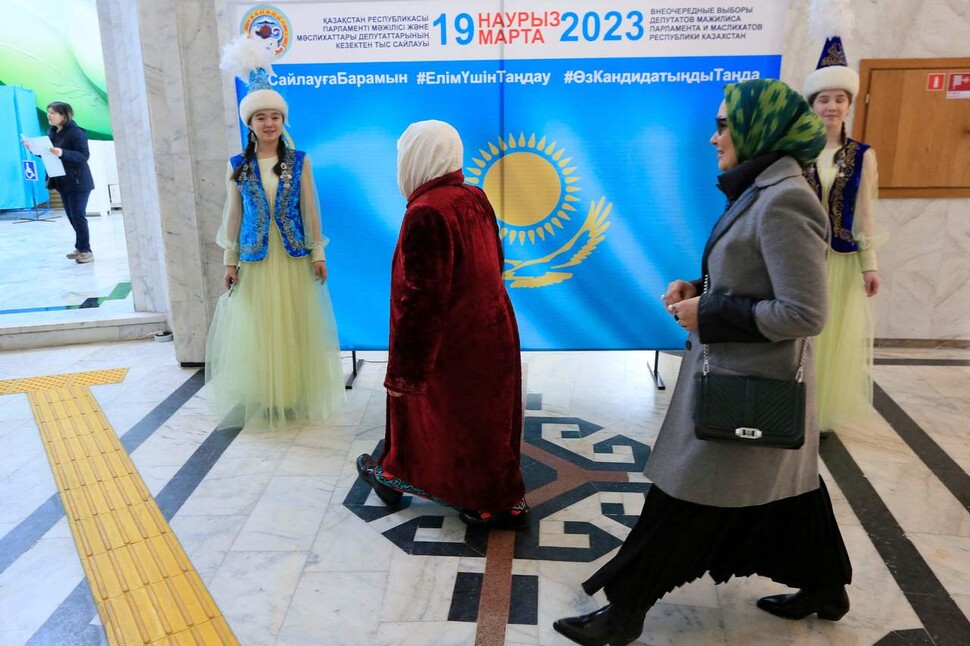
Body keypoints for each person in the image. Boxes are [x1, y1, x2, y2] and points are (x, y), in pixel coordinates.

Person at [553, 79, 852, 646]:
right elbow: (753, 276)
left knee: (683, 496)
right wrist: (699, 287)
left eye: (723, 125)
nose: (713, 137)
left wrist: (709, 313)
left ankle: (624, 611)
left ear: (758, 128)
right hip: (741, 375)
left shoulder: (787, 198)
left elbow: (805, 312)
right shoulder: (762, 188)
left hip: (748, 385)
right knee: (791, 491)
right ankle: (826, 586)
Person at [355, 120, 529, 529]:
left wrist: (405, 373)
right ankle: (401, 476)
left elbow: (420, 301)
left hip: (449, 342)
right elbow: (496, 260)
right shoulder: (473, 195)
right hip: (492, 328)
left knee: (438, 417)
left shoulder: (425, 212)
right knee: (485, 420)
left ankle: (484, 504)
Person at [205, 37, 344, 429]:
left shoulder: (298, 162)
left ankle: (293, 392)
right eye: (261, 117)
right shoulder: (238, 165)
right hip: (255, 260)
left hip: (292, 257)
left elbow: (310, 209)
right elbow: (233, 215)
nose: (269, 124)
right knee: (260, 329)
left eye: (275, 117)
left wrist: (318, 253)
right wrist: (229, 260)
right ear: (249, 124)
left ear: (283, 121)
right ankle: (267, 394)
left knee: (294, 327)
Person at [803, 36, 883, 435]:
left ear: (849, 104)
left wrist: (869, 265)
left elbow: (865, 212)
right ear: (812, 105)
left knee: (833, 335)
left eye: (839, 99)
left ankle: (823, 412)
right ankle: (795, 406)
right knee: (802, 333)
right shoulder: (795, 152)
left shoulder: (862, 155)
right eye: (823, 99)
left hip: (840, 258)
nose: (831, 106)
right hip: (801, 257)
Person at [44, 102, 95, 264]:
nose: (49, 116)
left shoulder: (76, 133)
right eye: (48, 112)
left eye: (53, 113)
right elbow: (50, 154)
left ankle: (85, 250)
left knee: (78, 215)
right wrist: (36, 149)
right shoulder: (51, 132)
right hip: (61, 181)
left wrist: (62, 153)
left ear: (64, 115)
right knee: (72, 216)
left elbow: (83, 155)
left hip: (78, 181)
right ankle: (80, 248)